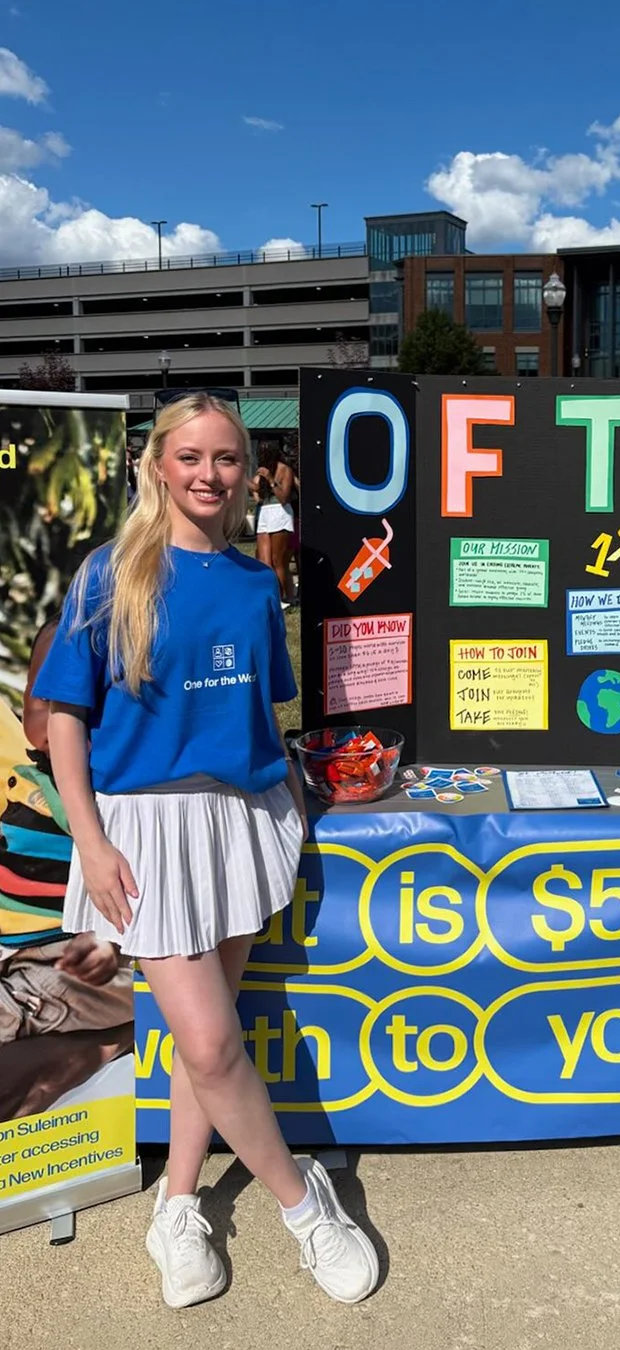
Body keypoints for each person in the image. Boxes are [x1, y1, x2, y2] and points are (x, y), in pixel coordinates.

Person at [33, 393, 377, 1310]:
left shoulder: (256, 583)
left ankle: (177, 1207)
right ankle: (308, 1208)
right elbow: (63, 716)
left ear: (246, 472)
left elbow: (264, 711)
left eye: (226, 459)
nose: (209, 475)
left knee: (205, 1039)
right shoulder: (110, 575)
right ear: (157, 465)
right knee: (214, 1041)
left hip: (244, 820)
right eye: (191, 457)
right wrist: (90, 840)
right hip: (146, 833)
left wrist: (297, 808)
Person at [1, 618, 133, 1121]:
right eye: (42, 699)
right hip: (19, 951)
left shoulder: (115, 798)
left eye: (86, 708)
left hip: (65, 964)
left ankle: (110, 1043)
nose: (58, 724)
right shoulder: (30, 776)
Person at [250, 441, 297, 608]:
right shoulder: (262, 470)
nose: (261, 455)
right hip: (265, 512)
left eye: (264, 452)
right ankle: (270, 596)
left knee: (278, 560)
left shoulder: (284, 469)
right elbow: (255, 488)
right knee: (264, 560)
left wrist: (270, 479)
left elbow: (284, 497)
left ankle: (283, 598)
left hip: (280, 512)